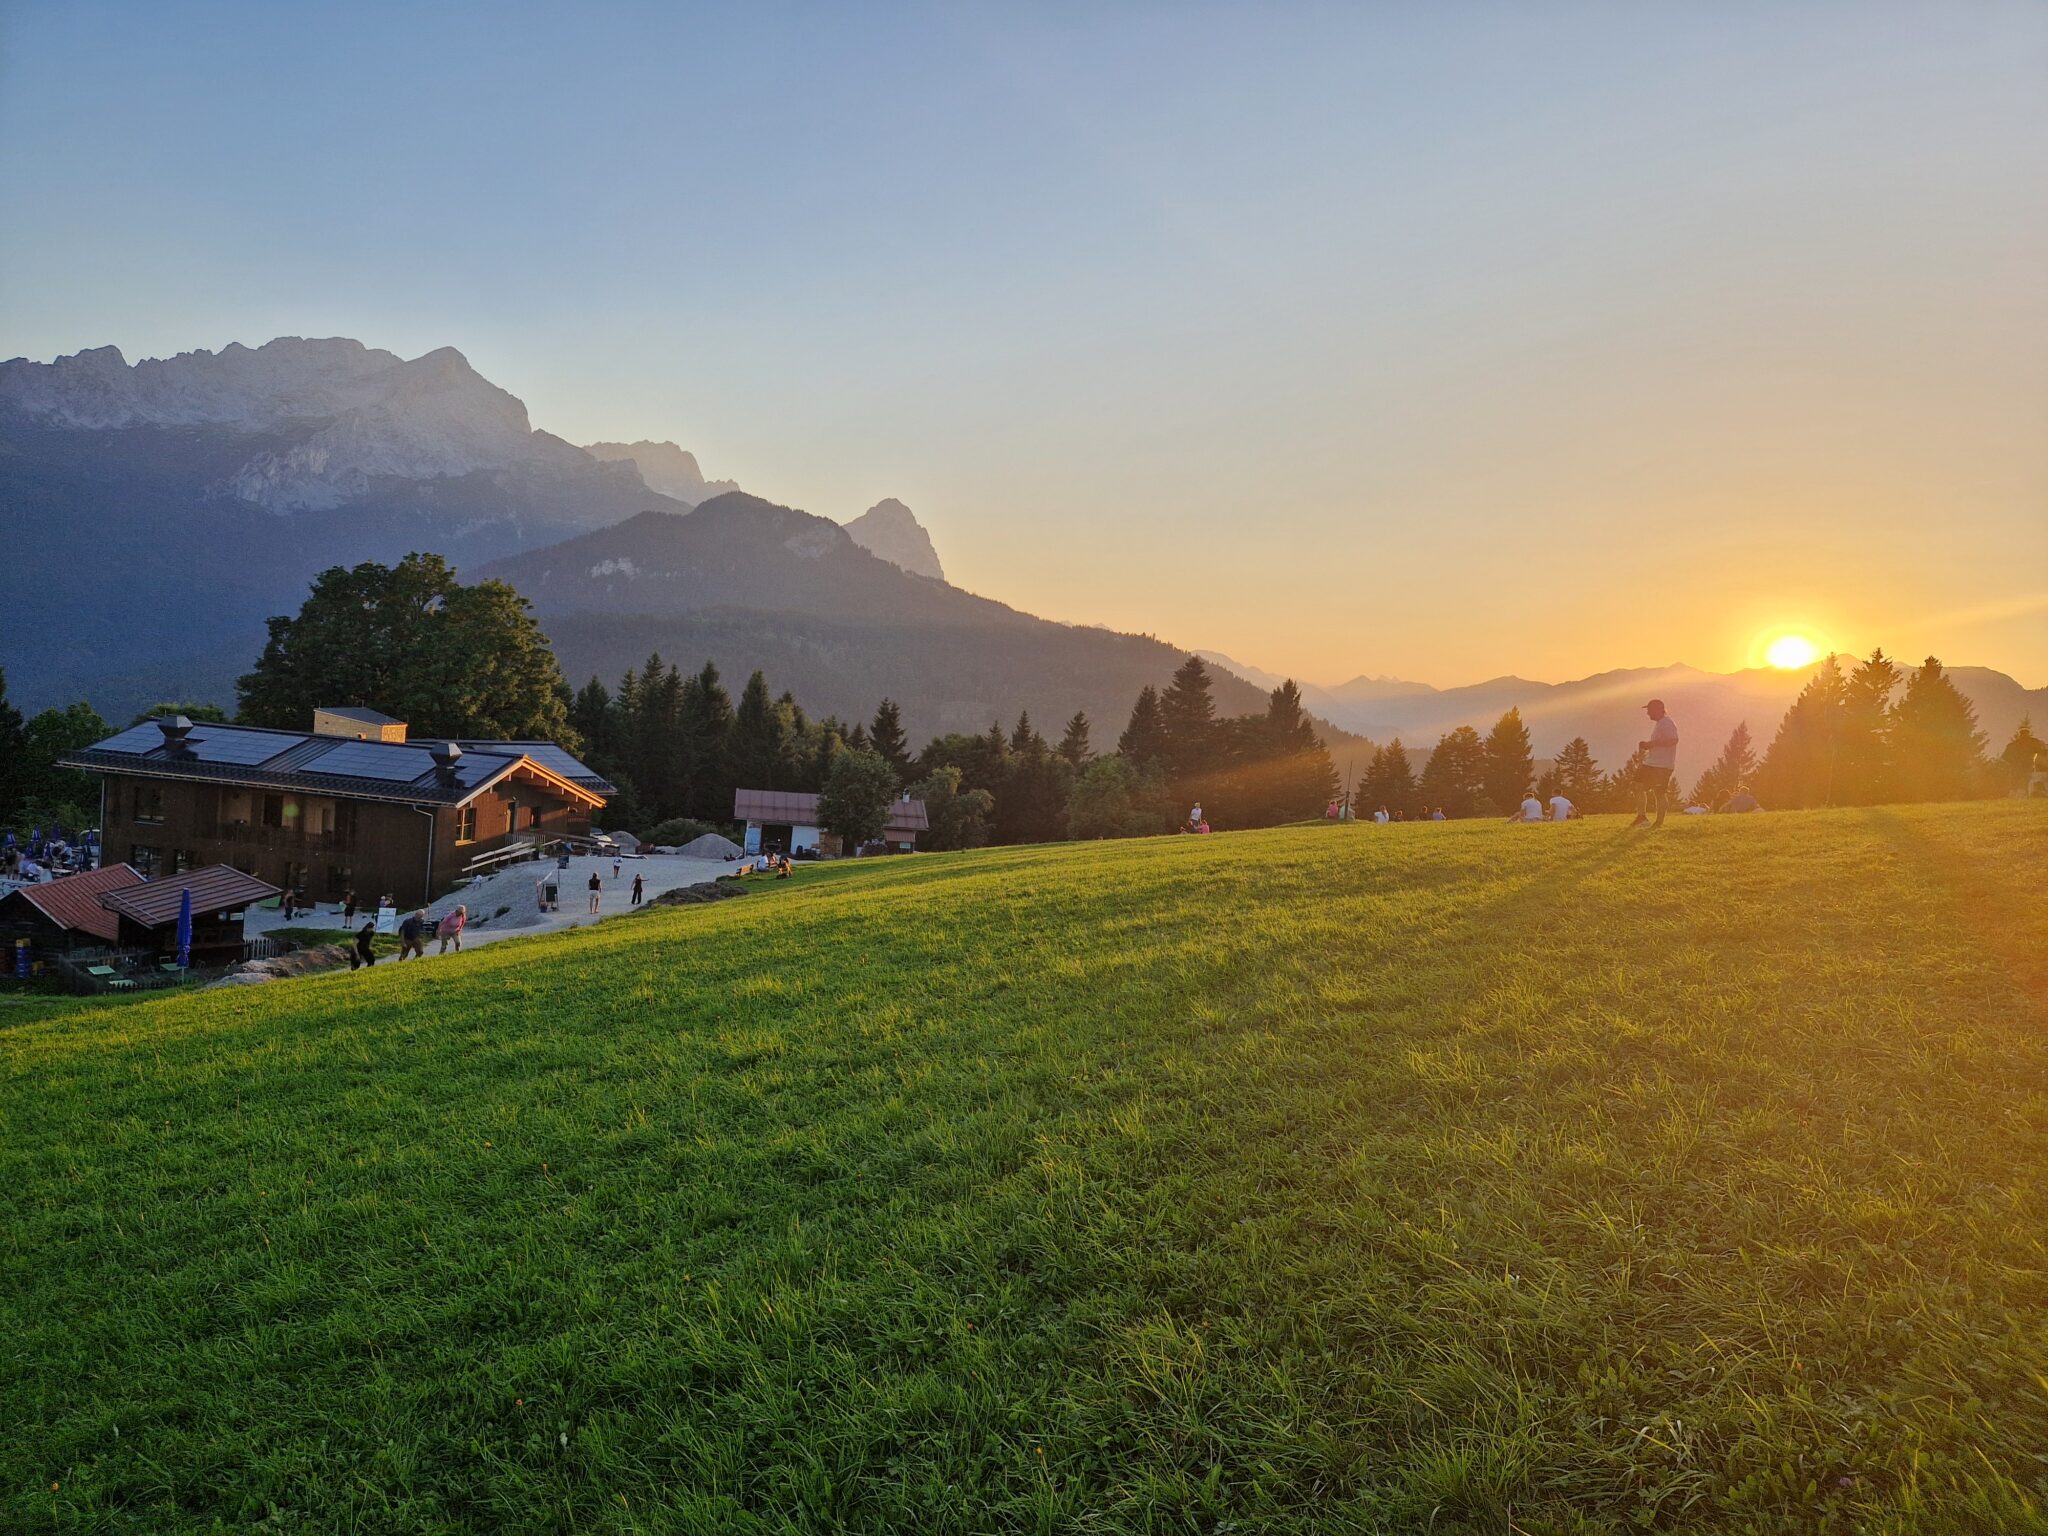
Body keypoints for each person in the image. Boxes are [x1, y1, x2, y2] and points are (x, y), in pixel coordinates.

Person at [1632, 699, 1680, 829]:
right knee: (1638, 786)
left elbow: (1673, 740)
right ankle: (1642, 817)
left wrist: (1651, 744)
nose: (1648, 713)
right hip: (1653, 763)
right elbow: (1663, 741)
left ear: (1657, 710)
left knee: (1658, 792)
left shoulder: (1667, 723)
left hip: (1661, 765)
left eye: (1649, 710)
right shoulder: (1661, 723)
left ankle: (1657, 822)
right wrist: (1649, 745)